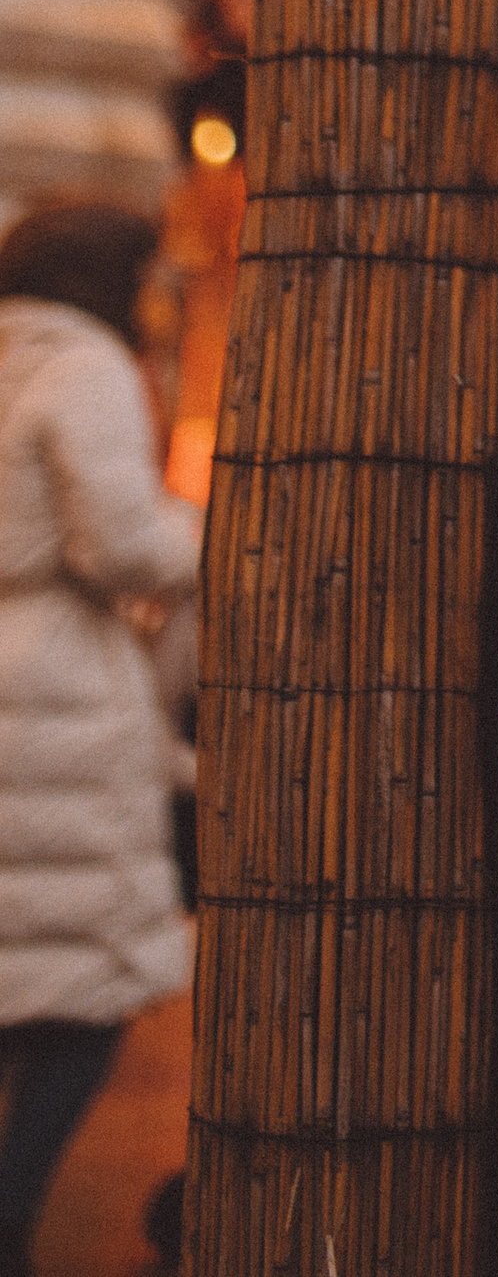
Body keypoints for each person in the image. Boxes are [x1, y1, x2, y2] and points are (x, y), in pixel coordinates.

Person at [0, 199, 202, 1277]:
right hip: (55, 695)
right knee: (85, 996)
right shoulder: (83, 367)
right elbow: (122, 543)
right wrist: (203, 532)